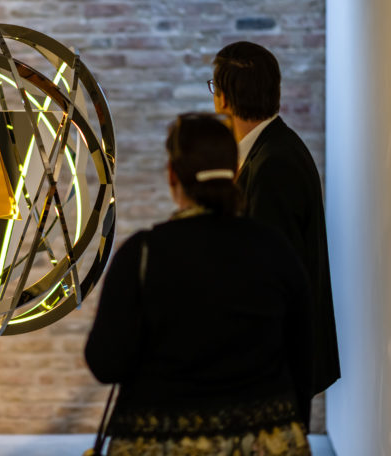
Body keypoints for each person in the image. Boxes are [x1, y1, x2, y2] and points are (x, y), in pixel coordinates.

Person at [85, 114, 312, 455]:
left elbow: (105, 364)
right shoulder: (276, 250)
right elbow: (303, 358)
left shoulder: (141, 255)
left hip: (160, 444)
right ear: (234, 172)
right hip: (263, 443)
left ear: (172, 176)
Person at [211, 41, 340, 397]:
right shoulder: (271, 149)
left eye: (213, 87)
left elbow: (268, 277)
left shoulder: (273, 164)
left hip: (275, 367)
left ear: (223, 98)